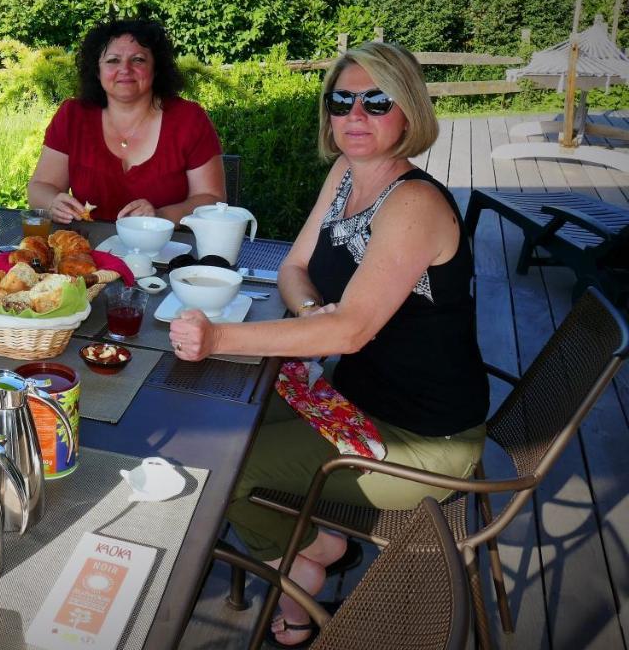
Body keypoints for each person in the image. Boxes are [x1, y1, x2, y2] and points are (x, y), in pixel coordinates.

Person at [168, 42, 488, 648]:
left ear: (409, 109)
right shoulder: (348, 175)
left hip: (420, 443)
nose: (356, 115)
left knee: (216, 466)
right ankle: (318, 543)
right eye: (342, 101)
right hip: (356, 398)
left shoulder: (413, 202)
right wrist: (317, 314)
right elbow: (294, 269)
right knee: (219, 417)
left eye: (377, 101)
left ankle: (306, 561)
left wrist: (219, 337)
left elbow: (350, 332)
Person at [28, 19, 225, 224]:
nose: (125, 69)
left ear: (155, 68)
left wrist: (160, 217)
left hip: (170, 251)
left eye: (138, 60)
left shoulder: (189, 119)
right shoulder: (73, 116)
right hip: (87, 250)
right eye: (113, 60)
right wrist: (52, 203)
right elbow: (40, 186)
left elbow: (212, 199)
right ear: (97, 70)